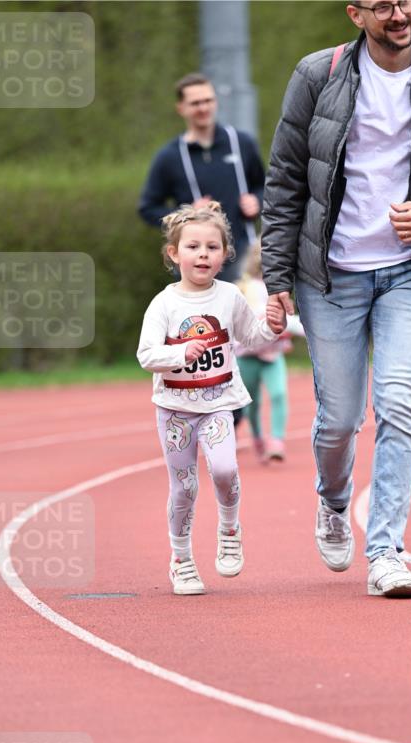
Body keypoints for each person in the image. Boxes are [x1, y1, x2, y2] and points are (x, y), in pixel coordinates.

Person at [262, 0, 411, 598]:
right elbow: (285, 176)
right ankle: (333, 502)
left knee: (398, 404)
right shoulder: (318, 74)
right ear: (355, 15)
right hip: (331, 274)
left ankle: (386, 550)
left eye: (405, 1)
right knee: (339, 420)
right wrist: (278, 276)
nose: (399, 14)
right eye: (383, 5)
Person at [136, 202, 284, 596]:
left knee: (224, 470)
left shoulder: (230, 297)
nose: (203, 254)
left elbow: (252, 338)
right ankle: (181, 559)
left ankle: (229, 528)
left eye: (212, 248)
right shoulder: (163, 304)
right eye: (193, 246)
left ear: (225, 255)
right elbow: (146, 355)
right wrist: (179, 354)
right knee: (183, 488)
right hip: (175, 410)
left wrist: (273, 327)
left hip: (219, 403)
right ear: (174, 253)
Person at [138, 73, 266, 282]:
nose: (203, 108)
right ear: (181, 108)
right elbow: (148, 208)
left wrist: (256, 201)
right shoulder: (169, 156)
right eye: (195, 103)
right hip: (196, 265)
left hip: (245, 258)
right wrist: (186, 214)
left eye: (208, 100)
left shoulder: (242, 143)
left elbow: (266, 188)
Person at [235, 241, 305, 462]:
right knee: (252, 403)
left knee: (279, 394)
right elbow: (255, 315)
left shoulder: (281, 288)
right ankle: (257, 438)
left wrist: (306, 329)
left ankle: (276, 440)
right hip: (247, 356)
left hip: (272, 356)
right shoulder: (247, 287)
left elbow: (286, 320)